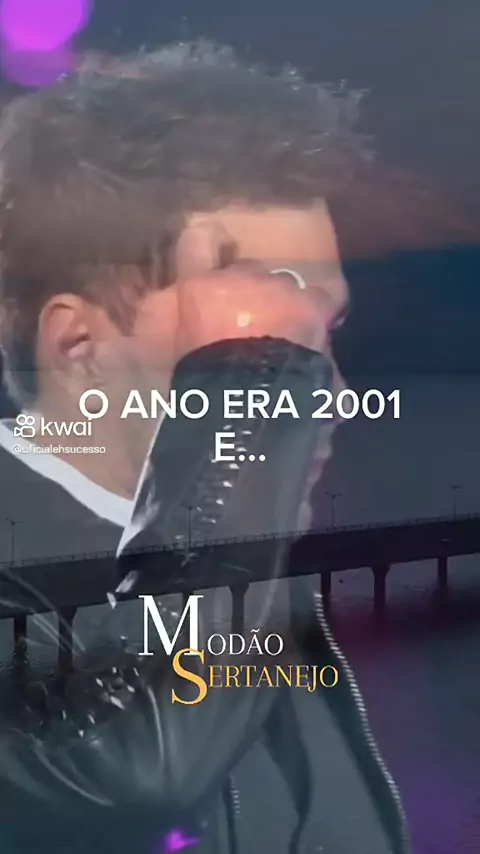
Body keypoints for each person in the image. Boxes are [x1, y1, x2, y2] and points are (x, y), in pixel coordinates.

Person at [0, 42, 409, 853]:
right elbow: (133, 769)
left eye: (321, 329)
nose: (326, 388)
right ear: (78, 345)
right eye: (268, 339)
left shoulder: (257, 575)